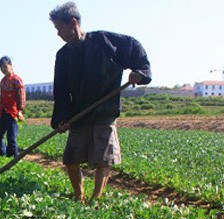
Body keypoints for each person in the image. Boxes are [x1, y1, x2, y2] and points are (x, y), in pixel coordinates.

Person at [49, 2, 151, 203]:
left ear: (73, 22)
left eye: (60, 28)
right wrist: (62, 118)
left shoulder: (104, 41)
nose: (58, 34)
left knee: (103, 159)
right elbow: (60, 90)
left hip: (104, 110)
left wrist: (140, 72)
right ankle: (79, 196)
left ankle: (95, 199)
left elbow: (135, 49)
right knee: (71, 158)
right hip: (79, 113)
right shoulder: (63, 55)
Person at [0, 56, 26, 157]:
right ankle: (3, 157)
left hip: (12, 112)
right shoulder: (2, 81)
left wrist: (20, 110)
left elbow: (21, 95)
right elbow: (2, 97)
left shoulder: (16, 80)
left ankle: (14, 159)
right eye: (1, 68)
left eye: (4, 66)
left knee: (11, 138)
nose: (3, 69)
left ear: (10, 65)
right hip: (2, 112)